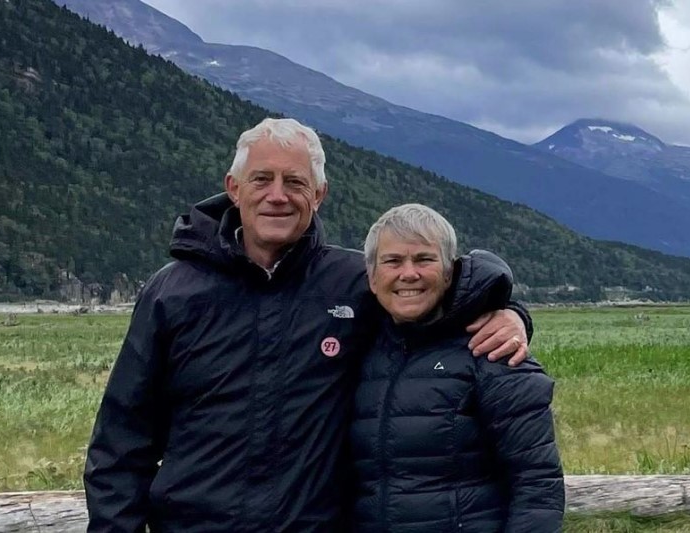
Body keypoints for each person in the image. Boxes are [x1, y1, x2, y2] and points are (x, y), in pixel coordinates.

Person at [84, 118, 533, 532]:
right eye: (262, 179)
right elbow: (122, 442)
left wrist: (510, 312)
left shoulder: (356, 283)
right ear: (234, 188)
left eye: (295, 182)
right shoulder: (173, 293)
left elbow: (445, 286)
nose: (277, 195)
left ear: (318, 195)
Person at [351, 204, 564, 532]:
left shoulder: (493, 352)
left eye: (424, 259)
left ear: (449, 272)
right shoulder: (358, 349)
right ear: (372, 276)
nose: (409, 273)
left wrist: (514, 314)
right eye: (393, 261)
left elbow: (537, 487)